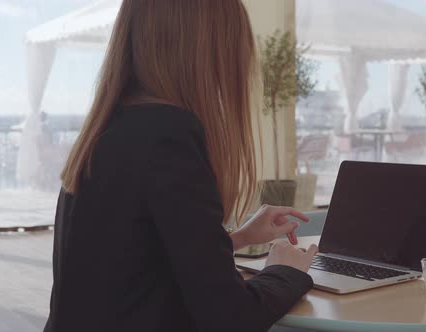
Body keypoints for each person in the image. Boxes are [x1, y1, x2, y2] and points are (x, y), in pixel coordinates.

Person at [43, 1, 318, 332]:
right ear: (212, 48)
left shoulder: (109, 128)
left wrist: (239, 237)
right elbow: (231, 318)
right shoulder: (169, 135)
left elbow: (135, 259)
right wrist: (285, 271)